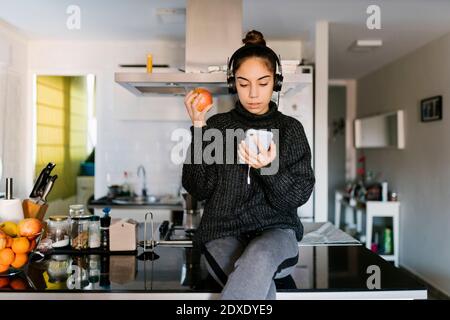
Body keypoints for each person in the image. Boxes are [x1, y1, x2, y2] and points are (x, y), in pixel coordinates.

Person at [182, 30, 315, 300]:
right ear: (233, 84)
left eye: (263, 83)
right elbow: (198, 187)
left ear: (275, 83)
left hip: (276, 233)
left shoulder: (290, 130)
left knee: (260, 255)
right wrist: (198, 127)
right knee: (258, 284)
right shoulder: (218, 127)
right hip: (222, 232)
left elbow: (299, 195)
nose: (253, 93)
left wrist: (270, 168)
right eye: (244, 84)